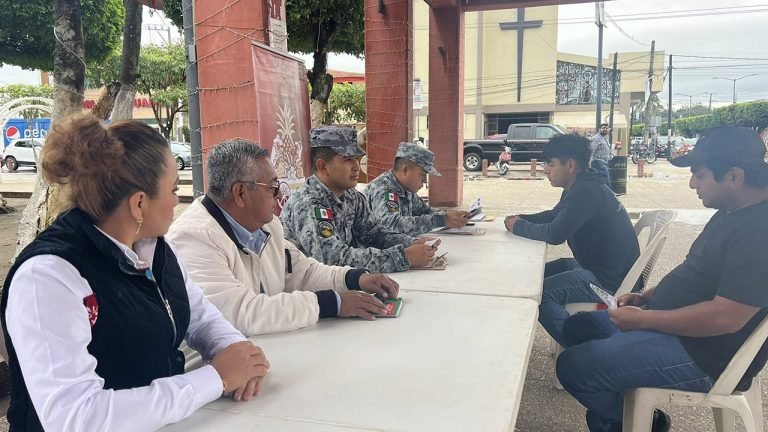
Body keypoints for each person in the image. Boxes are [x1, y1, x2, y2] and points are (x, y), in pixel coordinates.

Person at [0, 114, 270, 431]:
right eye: (172, 190)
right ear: (139, 204)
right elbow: (75, 418)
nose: (176, 200)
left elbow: (199, 314)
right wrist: (217, 378)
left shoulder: (153, 249)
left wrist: (237, 354)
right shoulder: (48, 277)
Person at [556, 126, 768, 432]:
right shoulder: (732, 209)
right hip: (676, 327)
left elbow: (726, 318)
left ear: (734, 176)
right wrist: (648, 297)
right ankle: (617, 414)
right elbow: (695, 271)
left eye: (700, 174)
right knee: (579, 326)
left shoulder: (759, 231)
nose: (693, 184)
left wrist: (645, 320)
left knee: (574, 367)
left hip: (705, 354)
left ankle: (641, 423)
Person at [167, 139, 401, 339]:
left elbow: (303, 272)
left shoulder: (267, 225)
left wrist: (355, 278)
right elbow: (241, 313)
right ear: (240, 193)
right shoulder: (194, 238)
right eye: (272, 187)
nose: (279, 195)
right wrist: (333, 303)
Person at [504, 134, 639, 346]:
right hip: (598, 268)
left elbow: (555, 234)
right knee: (534, 275)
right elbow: (554, 216)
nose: (545, 170)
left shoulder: (586, 192)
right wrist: (519, 219)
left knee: (540, 294)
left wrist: (517, 226)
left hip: (607, 281)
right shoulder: (582, 186)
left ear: (570, 165)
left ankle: (581, 348)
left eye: (550, 164)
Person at [280, 126, 439, 272]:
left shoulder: (351, 196)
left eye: (356, 158)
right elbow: (332, 260)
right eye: (348, 159)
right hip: (308, 294)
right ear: (323, 166)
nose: (356, 166)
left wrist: (410, 243)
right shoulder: (308, 203)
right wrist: (402, 257)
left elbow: (374, 234)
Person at [365, 142, 469, 236]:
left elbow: (425, 211)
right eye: (422, 175)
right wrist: (441, 220)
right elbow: (392, 225)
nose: (424, 181)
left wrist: (450, 216)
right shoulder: (385, 189)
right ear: (405, 170)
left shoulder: (405, 190)